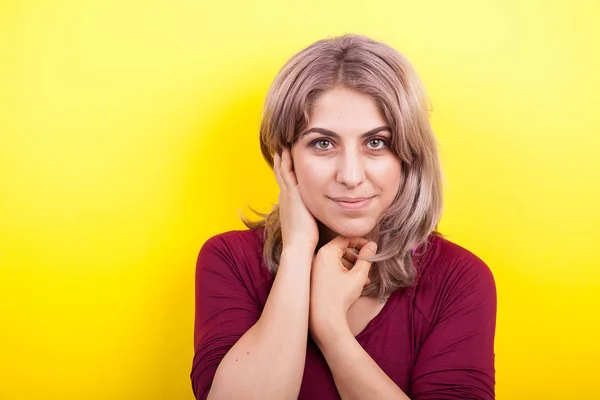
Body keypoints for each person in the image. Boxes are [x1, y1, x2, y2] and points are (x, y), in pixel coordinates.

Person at [190, 34, 497, 400]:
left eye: (376, 143)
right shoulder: (229, 259)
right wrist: (298, 252)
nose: (351, 176)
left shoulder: (459, 279)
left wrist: (331, 330)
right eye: (323, 143)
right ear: (284, 158)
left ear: (409, 155)